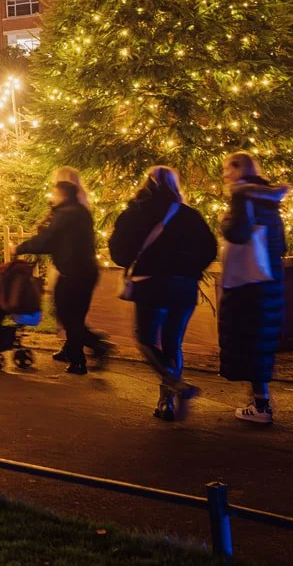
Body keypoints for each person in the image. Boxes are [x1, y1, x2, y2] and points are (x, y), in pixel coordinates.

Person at [109, 166, 217, 421]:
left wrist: (136, 261)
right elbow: (210, 249)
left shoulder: (134, 213)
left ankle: (172, 383)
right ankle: (166, 398)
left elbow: (119, 253)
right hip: (183, 285)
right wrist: (189, 268)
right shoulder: (189, 215)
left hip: (150, 284)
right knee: (173, 341)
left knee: (145, 339)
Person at [218, 151, 289, 425]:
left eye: (227, 168)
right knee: (260, 341)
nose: (224, 175)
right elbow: (279, 243)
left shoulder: (243, 195)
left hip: (248, 282)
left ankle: (261, 405)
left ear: (238, 169)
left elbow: (237, 233)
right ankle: (260, 400)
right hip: (270, 277)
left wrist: (227, 219)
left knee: (249, 339)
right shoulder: (268, 200)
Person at [17, 167, 108, 375]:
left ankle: (81, 358)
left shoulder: (65, 215)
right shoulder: (80, 211)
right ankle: (88, 348)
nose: (52, 197)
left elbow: (48, 240)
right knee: (73, 315)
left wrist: (20, 248)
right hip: (86, 272)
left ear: (63, 194)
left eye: (55, 193)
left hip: (72, 273)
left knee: (67, 315)